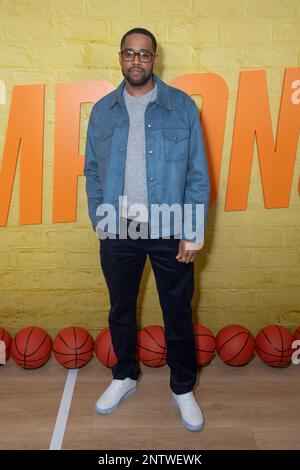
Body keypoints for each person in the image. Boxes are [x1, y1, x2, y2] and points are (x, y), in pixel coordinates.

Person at [84, 27, 210, 432]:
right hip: (118, 230)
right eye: (128, 53)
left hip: (171, 227)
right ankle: (124, 376)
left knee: (177, 311)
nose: (135, 60)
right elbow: (91, 171)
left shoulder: (181, 106)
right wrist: (100, 220)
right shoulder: (103, 110)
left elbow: (197, 173)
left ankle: (182, 387)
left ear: (155, 59)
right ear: (120, 58)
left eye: (144, 54)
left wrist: (193, 230)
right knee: (120, 309)